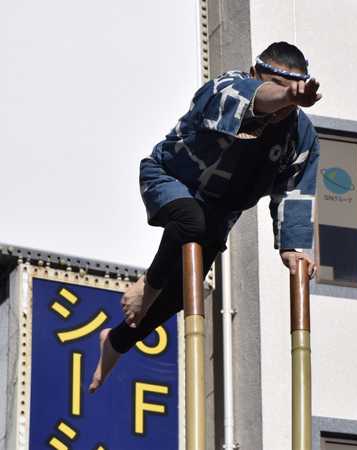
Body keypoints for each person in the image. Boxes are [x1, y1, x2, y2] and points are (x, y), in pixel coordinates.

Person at [88, 41, 322, 393]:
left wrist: (293, 246)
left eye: (291, 95)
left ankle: (116, 341)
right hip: (170, 178)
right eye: (276, 86)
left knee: (185, 292)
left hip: (221, 210)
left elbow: (295, 188)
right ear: (255, 74)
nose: (284, 103)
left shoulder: (300, 135)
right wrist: (286, 95)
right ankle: (146, 288)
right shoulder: (227, 86)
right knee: (190, 222)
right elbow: (256, 100)